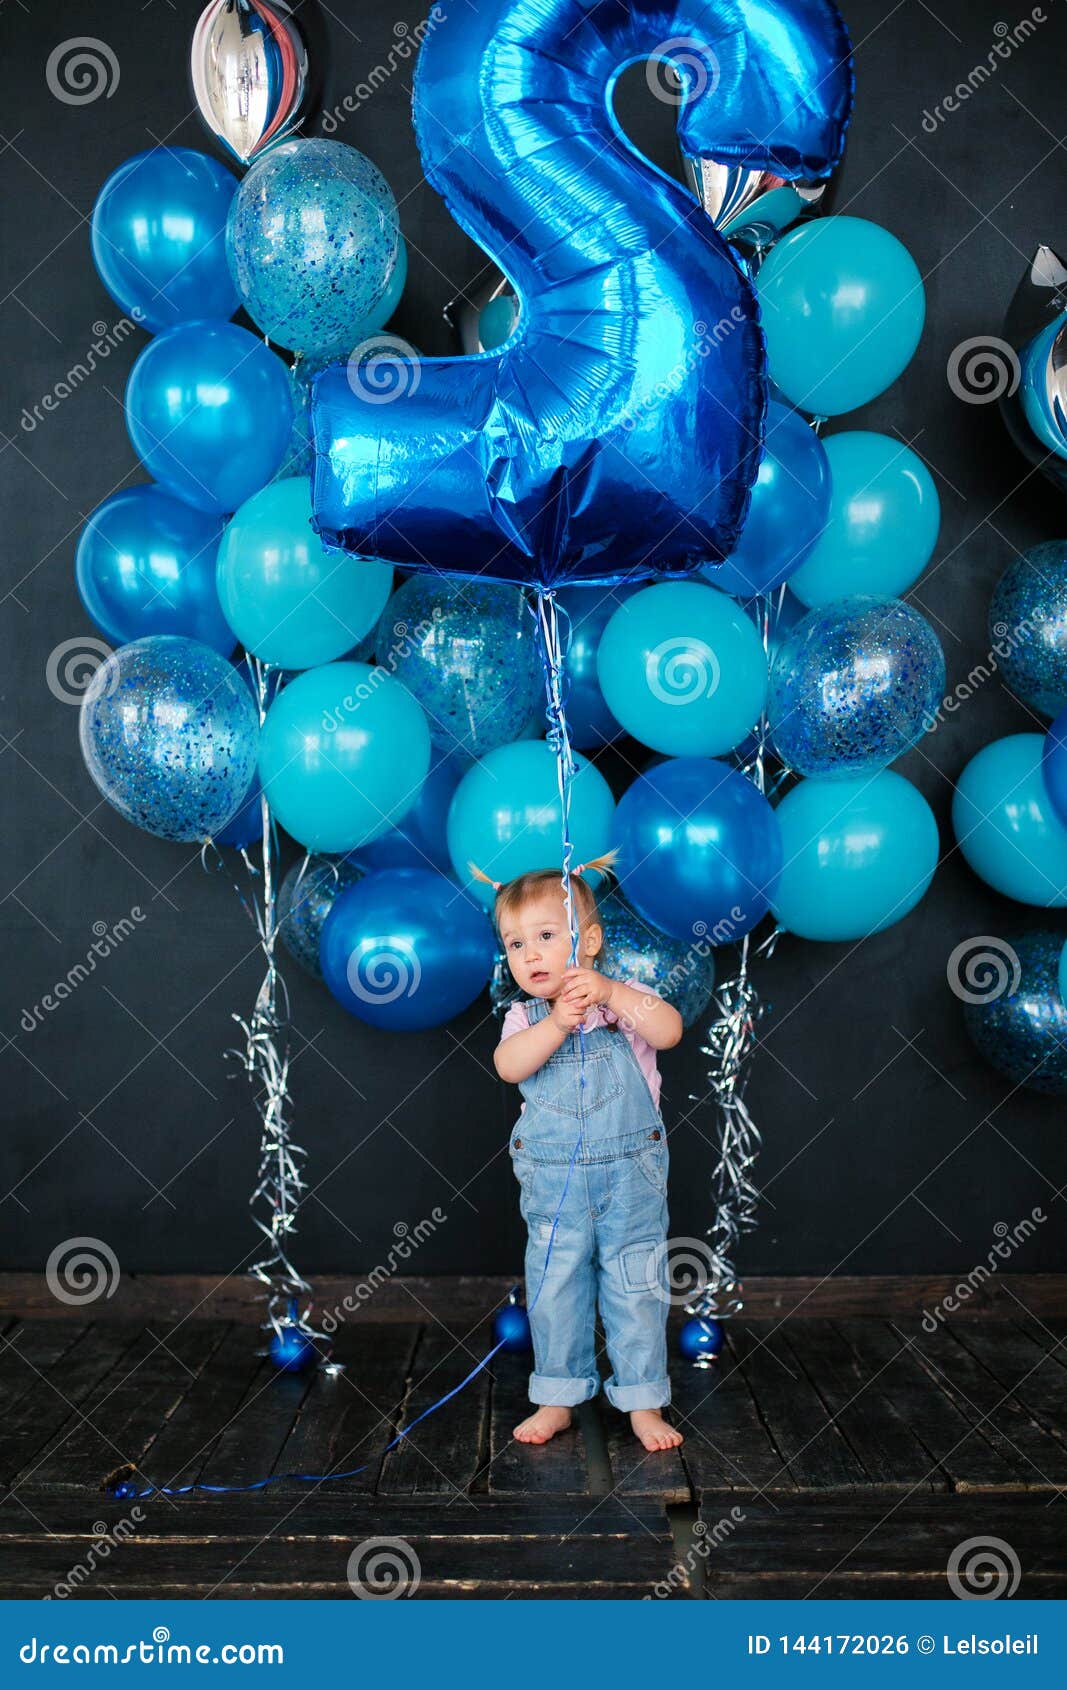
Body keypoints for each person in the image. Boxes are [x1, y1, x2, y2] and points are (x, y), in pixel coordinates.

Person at [480, 856, 685, 1453]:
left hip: (631, 1181)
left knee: (635, 1286)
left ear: (589, 941)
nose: (532, 955)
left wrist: (612, 994)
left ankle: (643, 1400)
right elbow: (508, 1065)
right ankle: (557, 1396)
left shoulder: (626, 1003)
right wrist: (557, 1025)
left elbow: (668, 1030)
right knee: (555, 1287)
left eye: (546, 936)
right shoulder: (525, 1016)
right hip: (554, 1184)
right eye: (516, 944)